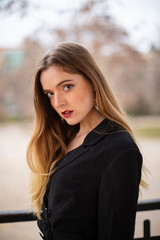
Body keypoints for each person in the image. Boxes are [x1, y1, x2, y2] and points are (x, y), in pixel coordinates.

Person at [27, 42, 144, 240]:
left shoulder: (120, 149)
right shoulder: (62, 138)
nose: (58, 102)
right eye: (50, 93)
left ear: (92, 81)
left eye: (67, 86)